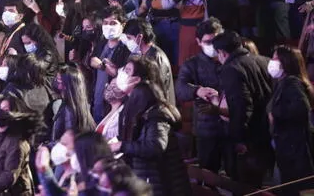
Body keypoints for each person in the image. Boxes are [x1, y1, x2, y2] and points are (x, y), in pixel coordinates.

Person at [113, 56, 191, 196]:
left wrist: (121, 145)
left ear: (137, 80)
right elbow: (134, 137)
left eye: (128, 70)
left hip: (163, 185)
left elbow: (155, 146)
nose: (122, 73)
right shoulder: (134, 105)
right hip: (147, 180)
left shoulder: (155, 112)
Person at [212, 30, 273, 186]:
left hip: (250, 135)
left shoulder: (232, 68)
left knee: (245, 184)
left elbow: (241, 106)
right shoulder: (264, 60)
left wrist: (239, 139)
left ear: (222, 53)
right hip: (269, 131)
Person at [175, 18, 225, 173]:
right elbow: (180, 88)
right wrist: (197, 90)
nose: (214, 45)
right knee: (209, 174)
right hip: (206, 126)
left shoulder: (231, 59)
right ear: (199, 41)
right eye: (209, 42)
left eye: (217, 40)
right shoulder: (192, 64)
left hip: (232, 126)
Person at [267, 46, 314, 195]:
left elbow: (301, 108)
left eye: (275, 58)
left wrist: (275, 113)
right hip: (288, 144)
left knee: (292, 187)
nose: (271, 62)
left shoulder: (292, 82)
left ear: (286, 62)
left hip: (293, 147)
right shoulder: (284, 82)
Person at [0, 101, 41, 196]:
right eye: (0, 109)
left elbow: (9, 177)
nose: (1, 113)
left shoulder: (17, 143)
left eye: (6, 110)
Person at [123, 18, 176, 106]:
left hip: (159, 110)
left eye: (129, 38)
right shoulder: (140, 55)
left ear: (139, 37)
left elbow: (158, 90)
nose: (127, 42)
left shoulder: (156, 57)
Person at [52, 65, 95, 142]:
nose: (55, 81)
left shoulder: (68, 111)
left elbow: (67, 140)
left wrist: (47, 147)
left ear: (66, 85)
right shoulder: (80, 106)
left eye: (58, 80)